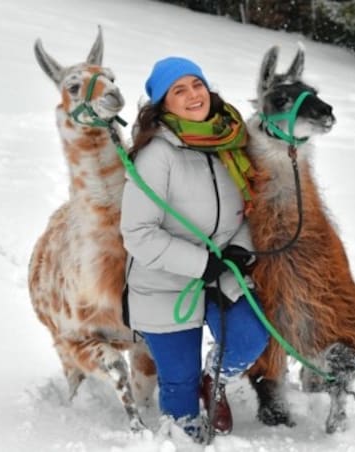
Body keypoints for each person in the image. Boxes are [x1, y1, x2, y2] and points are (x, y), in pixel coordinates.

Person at [120, 56, 269, 441]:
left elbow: (247, 209)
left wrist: (239, 249)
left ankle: (214, 379)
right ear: (162, 104)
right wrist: (201, 264)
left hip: (221, 271)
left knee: (251, 337)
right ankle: (183, 437)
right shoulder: (157, 156)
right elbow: (137, 233)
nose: (192, 95)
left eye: (196, 84)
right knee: (179, 383)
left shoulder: (229, 142)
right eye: (178, 90)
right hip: (165, 282)